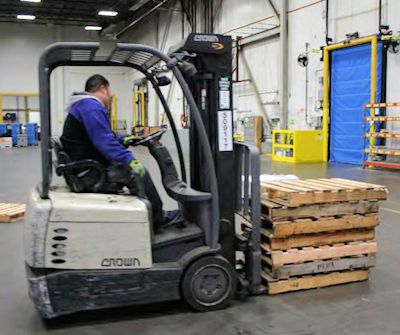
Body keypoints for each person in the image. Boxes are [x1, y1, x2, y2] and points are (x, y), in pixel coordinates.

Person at [60, 74, 176, 228]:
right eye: (109, 92)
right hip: (90, 173)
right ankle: (158, 219)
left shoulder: (83, 105)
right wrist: (129, 160)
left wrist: (124, 139)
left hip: (86, 167)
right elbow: (104, 142)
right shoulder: (90, 106)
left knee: (132, 170)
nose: (109, 98)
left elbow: (101, 136)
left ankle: (151, 215)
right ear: (103, 89)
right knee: (139, 174)